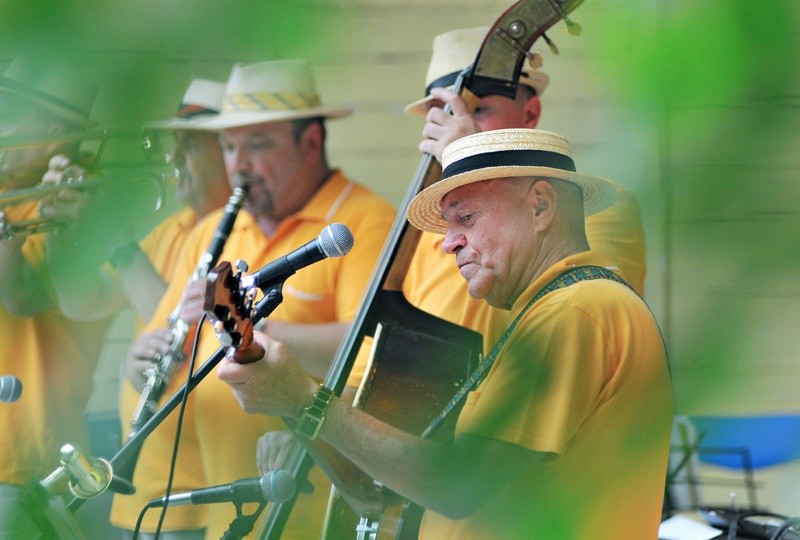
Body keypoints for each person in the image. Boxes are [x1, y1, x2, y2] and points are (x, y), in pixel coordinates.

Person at [217, 127, 675, 539]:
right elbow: (390, 490)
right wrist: (290, 401)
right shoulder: (564, 308)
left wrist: (303, 399)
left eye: (466, 218)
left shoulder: (576, 311)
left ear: (540, 206)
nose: (447, 242)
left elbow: (458, 484)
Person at [135, 59, 396, 539]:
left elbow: (373, 348)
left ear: (311, 142)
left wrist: (254, 328)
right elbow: (163, 331)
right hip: (224, 513)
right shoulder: (218, 230)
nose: (240, 165)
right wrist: (141, 358)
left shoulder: (365, 221)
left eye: (258, 144)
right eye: (230, 146)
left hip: (308, 508)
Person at [403, 27, 647, 354]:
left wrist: (472, 153)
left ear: (530, 113)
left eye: (477, 110)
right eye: (442, 117)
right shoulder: (429, 237)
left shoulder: (598, 205)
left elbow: (565, 315)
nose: (452, 129)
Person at [0, 55, 111, 539]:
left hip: (25, 469)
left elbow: (19, 297)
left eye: (9, 111)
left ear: (54, 131)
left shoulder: (78, 210)